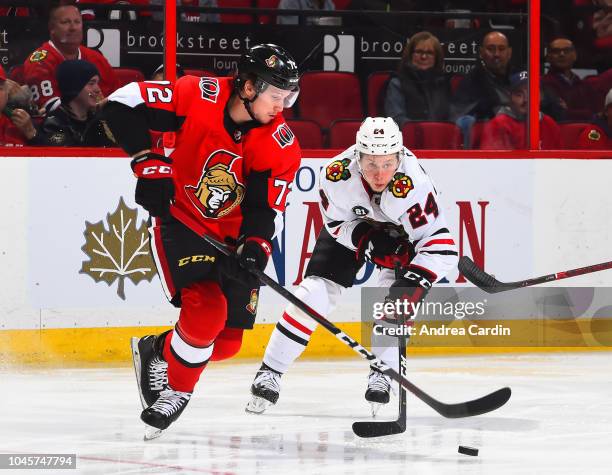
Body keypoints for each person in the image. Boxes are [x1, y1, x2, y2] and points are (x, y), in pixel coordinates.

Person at [101, 43, 301, 436]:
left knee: (225, 344)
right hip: (182, 224)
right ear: (247, 87)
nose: (282, 106)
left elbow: (263, 209)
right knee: (206, 311)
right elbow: (119, 104)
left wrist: (256, 247)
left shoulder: (279, 143)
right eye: (276, 96)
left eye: (288, 97)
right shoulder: (197, 94)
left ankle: (155, 350)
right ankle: (177, 392)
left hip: (230, 238)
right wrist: (147, 160)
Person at [246, 117, 458, 415]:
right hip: (351, 231)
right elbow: (335, 225)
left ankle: (382, 373)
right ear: (357, 158)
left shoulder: (415, 186)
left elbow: (441, 246)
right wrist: (366, 239)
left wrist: (413, 282)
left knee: (394, 302)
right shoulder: (336, 176)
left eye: (387, 163)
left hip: (402, 238)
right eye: (371, 164)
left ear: (400, 156)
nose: (379, 173)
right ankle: (271, 370)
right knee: (312, 295)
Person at [23, 3, 118, 112]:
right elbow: (52, 109)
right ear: (52, 28)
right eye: (65, 22)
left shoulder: (96, 58)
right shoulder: (39, 62)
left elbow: (117, 100)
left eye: (77, 22)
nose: (73, 28)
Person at [450, 31, 514, 146]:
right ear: (481, 52)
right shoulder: (471, 81)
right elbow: (460, 116)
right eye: (491, 49)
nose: (496, 54)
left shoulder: (520, 78)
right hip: (485, 145)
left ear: (509, 52)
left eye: (501, 49)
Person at [37, 59, 115, 147]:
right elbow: (73, 157)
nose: (98, 90)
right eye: (91, 83)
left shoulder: (96, 120)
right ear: (74, 87)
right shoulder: (54, 123)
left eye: (97, 83)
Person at [480, 71, 561, 150]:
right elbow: (491, 161)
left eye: (531, 93)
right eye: (519, 94)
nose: (526, 99)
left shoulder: (549, 124)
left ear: (541, 96)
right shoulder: (498, 124)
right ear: (510, 98)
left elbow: (561, 160)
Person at [384, 31, 452, 126]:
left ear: (436, 57)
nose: (424, 57)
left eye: (429, 53)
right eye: (419, 52)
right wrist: (424, 131)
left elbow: (452, 116)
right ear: (410, 55)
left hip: (440, 138)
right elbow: (396, 119)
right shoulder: (397, 83)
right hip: (408, 138)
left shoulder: (444, 83)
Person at [542, 37, 599, 120]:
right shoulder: (543, 84)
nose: (562, 54)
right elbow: (558, 114)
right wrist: (586, 113)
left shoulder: (585, 85)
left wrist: (569, 111)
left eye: (567, 50)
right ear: (548, 57)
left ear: (575, 55)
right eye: (556, 51)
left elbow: (597, 114)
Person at [0, 65, 40, 145]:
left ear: (7, 92)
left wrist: (31, 133)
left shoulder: (23, 123)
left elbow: (46, 156)